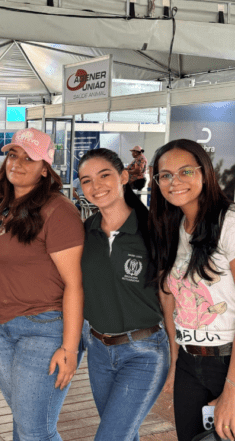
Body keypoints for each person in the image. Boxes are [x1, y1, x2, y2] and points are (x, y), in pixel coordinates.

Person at [0, 128, 84, 441]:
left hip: (44, 329)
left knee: (35, 430)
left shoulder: (58, 210)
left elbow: (74, 284)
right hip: (2, 328)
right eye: (13, 155)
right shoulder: (4, 206)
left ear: (45, 169)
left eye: (29, 158)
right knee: (27, 425)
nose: (17, 163)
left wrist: (69, 347)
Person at [78, 148, 173, 441]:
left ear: (123, 177)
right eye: (86, 180)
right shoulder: (86, 231)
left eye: (104, 175)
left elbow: (167, 296)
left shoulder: (153, 229)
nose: (95, 186)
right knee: (124, 435)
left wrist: (175, 358)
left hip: (144, 351)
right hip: (98, 351)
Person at [149, 139, 235, 441]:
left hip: (227, 362)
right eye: (165, 175)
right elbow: (169, 299)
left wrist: (232, 389)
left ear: (205, 173)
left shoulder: (228, 223)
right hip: (188, 361)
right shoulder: (170, 226)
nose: (175, 181)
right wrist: (174, 361)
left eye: (185, 171)